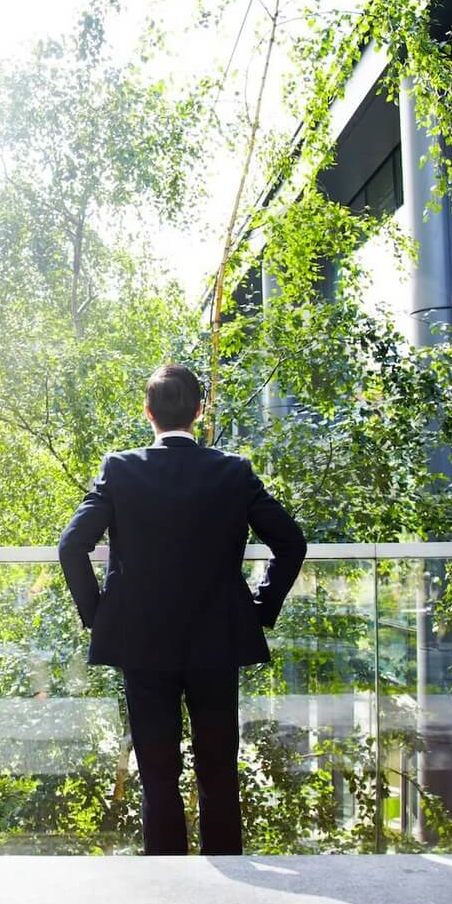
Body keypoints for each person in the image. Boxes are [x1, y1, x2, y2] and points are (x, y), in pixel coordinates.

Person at [57, 363, 306, 855]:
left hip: (142, 644)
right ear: (199, 411)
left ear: (148, 413)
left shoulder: (120, 468)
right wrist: (258, 606)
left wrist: (99, 615)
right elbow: (290, 543)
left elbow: (71, 546)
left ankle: (168, 880)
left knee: (157, 773)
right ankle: (227, 873)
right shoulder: (233, 471)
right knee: (218, 770)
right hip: (217, 640)